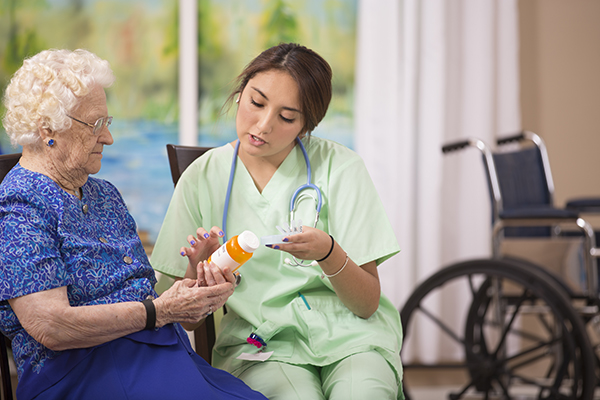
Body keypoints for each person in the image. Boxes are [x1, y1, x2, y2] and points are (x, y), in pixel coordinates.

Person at [0, 49, 268, 400]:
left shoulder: (104, 195)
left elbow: (148, 306)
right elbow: (51, 326)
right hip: (82, 373)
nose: (108, 138)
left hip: (159, 356)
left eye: (107, 124)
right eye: (96, 125)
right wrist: (160, 311)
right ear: (49, 129)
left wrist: (193, 282)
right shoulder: (20, 206)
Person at [151, 43, 404, 400]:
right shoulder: (203, 177)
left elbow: (365, 304)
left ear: (306, 126)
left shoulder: (342, 168)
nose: (264, 125)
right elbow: (187, 321)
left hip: (353, 340)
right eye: (256, 102)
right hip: (261, 346)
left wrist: (328, 252)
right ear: (240, 94)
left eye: (287, 118)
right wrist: (198, 273)